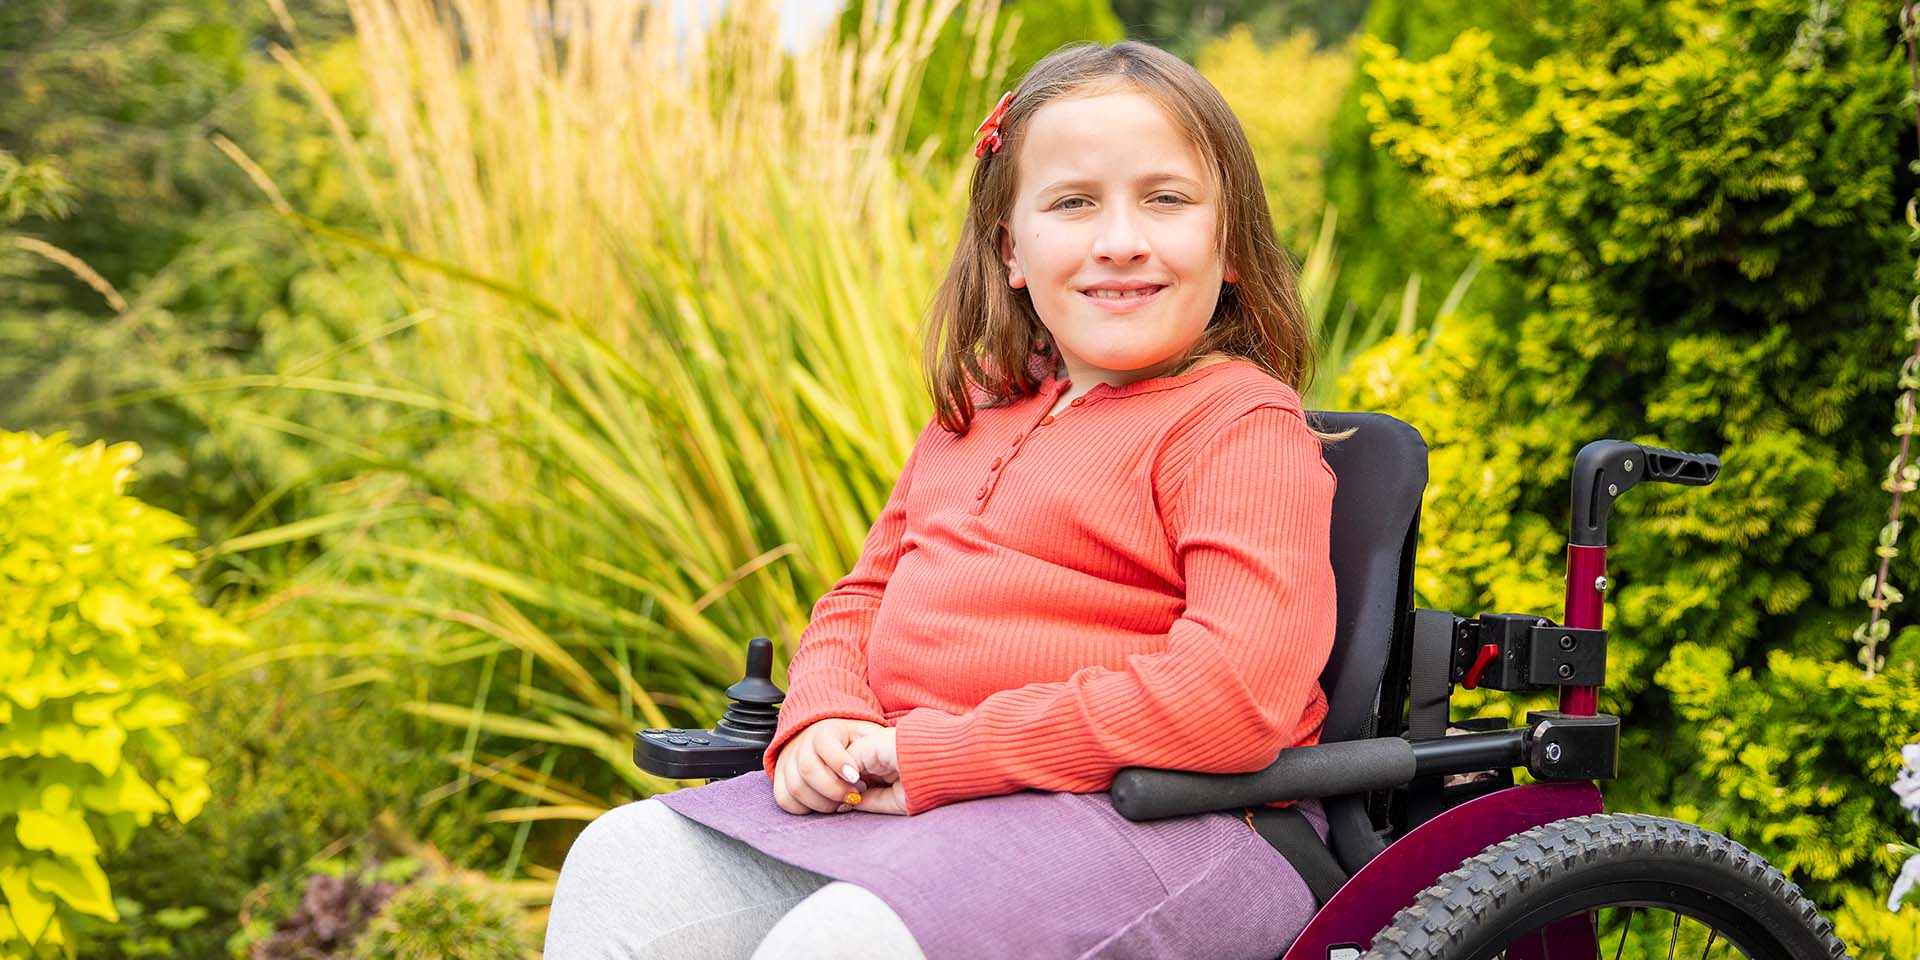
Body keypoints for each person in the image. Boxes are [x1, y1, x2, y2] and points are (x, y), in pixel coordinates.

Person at [544, 39, 1345, 960]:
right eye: (1074, 202)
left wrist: (931, 757)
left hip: (1179, 820)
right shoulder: (981, 409)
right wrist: (830, 714)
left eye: (1165, 199)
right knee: (625, 861)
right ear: (1012, 248)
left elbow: (1232, 696)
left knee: (843, 943)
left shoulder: (1235, 421)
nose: (1120, 238)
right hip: (938, 808)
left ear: (1231, 242)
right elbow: (863, 597)